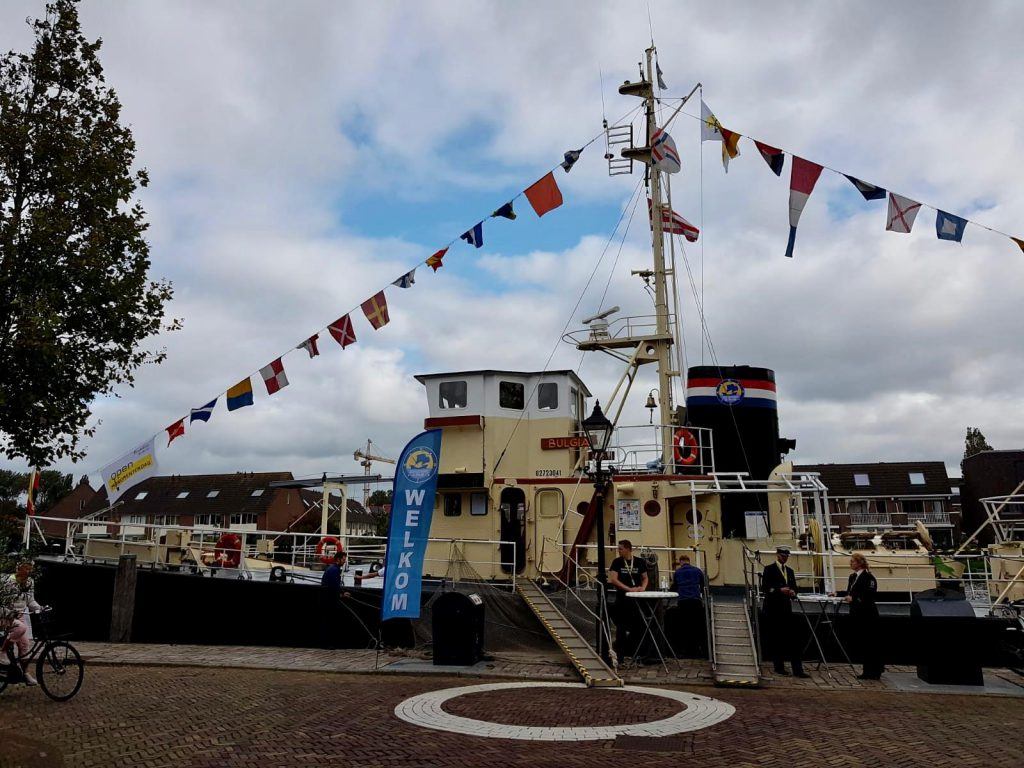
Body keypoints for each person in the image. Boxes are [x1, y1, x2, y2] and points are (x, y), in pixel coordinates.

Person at [760, 545, 808, 678]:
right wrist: (779, 590)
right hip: (773, 609)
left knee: (793, 640)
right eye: (782, 556)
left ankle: (798, 670)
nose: (784, 558)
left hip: (786, 609)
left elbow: (794, 588)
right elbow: (765, 588)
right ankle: (779, 667)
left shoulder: (790, 571)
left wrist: (793, 592)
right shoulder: (769, 569)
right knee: (777, 639)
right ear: (778, 555)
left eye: (786, 556)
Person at [834, 552, 883, 680]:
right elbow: (850, 591)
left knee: (870, 643)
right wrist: (837, 594)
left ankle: (874, 671)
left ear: (860, 563)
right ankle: (868, 670)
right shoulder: (852, 577)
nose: (851, 563)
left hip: (868, 615)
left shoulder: (869, 578)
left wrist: (854, 599)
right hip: (857, 614)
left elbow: (869, 596)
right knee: (863, 643)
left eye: (853, 561)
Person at [1, 562, 43, 685]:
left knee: (25, 645)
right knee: (20, 629)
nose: (29, 571)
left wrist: (39, 608)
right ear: (18, 568)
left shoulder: (30, 582)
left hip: (20, 616)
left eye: (31, 569)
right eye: (26, 568)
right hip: (6, 616)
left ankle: (25, 673)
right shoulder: (7, 581)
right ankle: (2, 652)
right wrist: (9, 613)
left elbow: (31, 600)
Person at [607, 540, 648, 661]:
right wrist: (628, 589)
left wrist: (642, 589)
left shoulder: (639, 562)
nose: (618, 551)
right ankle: (620, 656)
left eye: (620, 549)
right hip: (622, 599)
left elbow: (645, 578)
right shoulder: (617, 562)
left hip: (636, 600)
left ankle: (637, 654)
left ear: (628, 549)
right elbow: (614, 579)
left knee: (637, 627)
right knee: (621, 628)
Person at [672, 554, 706, 656]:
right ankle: (698, 650)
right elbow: (702, 584)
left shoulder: (677, 572)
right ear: (689, 561)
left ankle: (684, 651)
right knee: (697, 626)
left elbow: (675, 586)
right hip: (695, 600)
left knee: (684, 627)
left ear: (681, 561)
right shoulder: (697, 571)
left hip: (683, 601)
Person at [319, 551, 349, 648]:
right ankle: (328, 644)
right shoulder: (334, 570)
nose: (344, 562)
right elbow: (334, 586)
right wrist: (342, 594)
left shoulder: (331, 568)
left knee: (327, 622)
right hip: (329, 600)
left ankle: (327, 643)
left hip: (326, 597)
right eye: (343, 560)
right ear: (338, 559)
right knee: (329, 622)